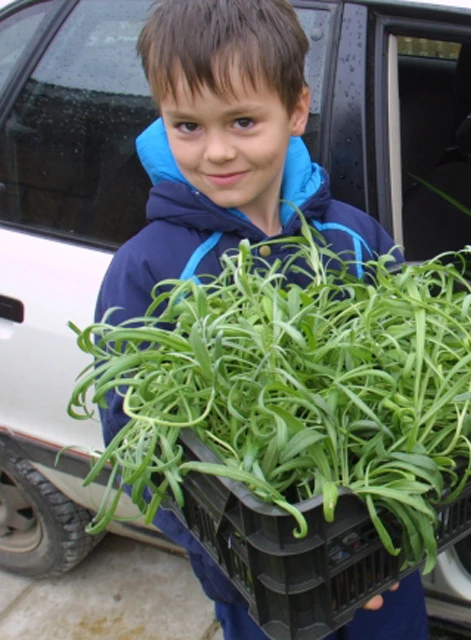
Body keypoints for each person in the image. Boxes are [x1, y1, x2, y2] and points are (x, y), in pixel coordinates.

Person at [94, 1, 425, 638]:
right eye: (186, 125)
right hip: (264, 591)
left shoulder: (352, 237)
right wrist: (230, 564)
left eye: (243, 121)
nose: (216, 151)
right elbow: (137, 446)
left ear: (297, 110)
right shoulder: (148, 271)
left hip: (383, 550)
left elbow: (419, 376)